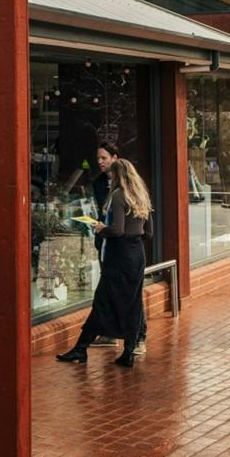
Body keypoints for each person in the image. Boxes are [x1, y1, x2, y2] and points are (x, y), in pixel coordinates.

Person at [57, 146, 152, 367]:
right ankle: (128, 350)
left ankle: (81, 348)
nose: (108, 177)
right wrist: (133, 235)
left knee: (102, 301)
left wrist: (101, 227)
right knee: (133, 302)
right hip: (137, 254)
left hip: (118, 257)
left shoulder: (118, 196)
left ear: (118, 175)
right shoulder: (141, 196)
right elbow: (149, 232)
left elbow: (116, 230)